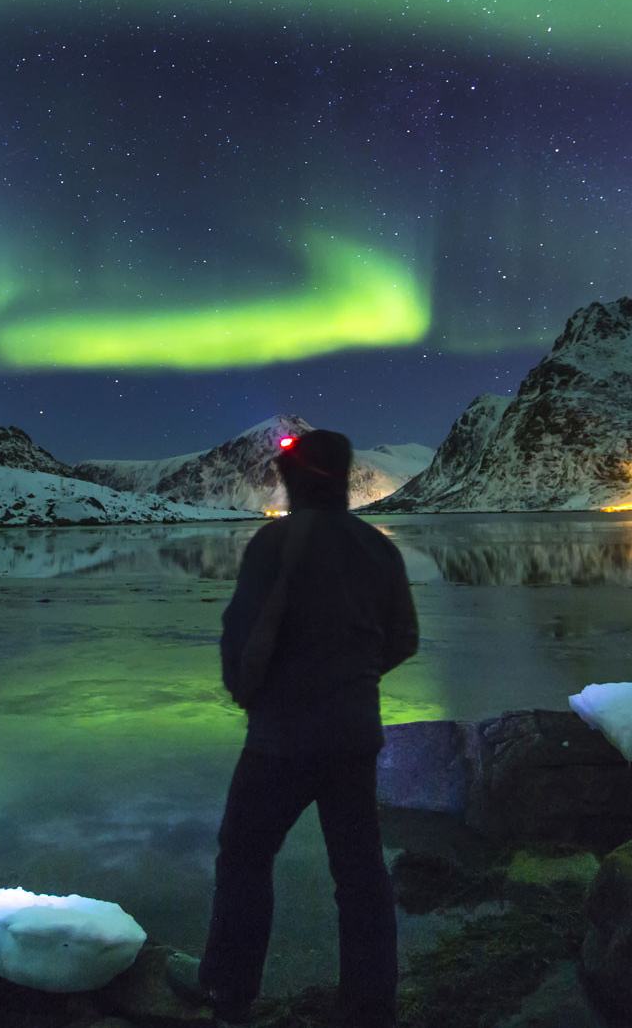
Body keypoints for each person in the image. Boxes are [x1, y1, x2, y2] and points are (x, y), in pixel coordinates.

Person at [169, 429, 420, 1027]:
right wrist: (356, 679)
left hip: (282, 739)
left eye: (286, 468)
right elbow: (404, 638)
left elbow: (243, 633)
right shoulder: (377, 548)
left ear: (300, 478)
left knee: (244, 856)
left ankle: (229, 990)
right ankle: (370, 1004)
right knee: (359, 873)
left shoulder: (276, 542)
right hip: (356, 735)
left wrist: (250, 692)